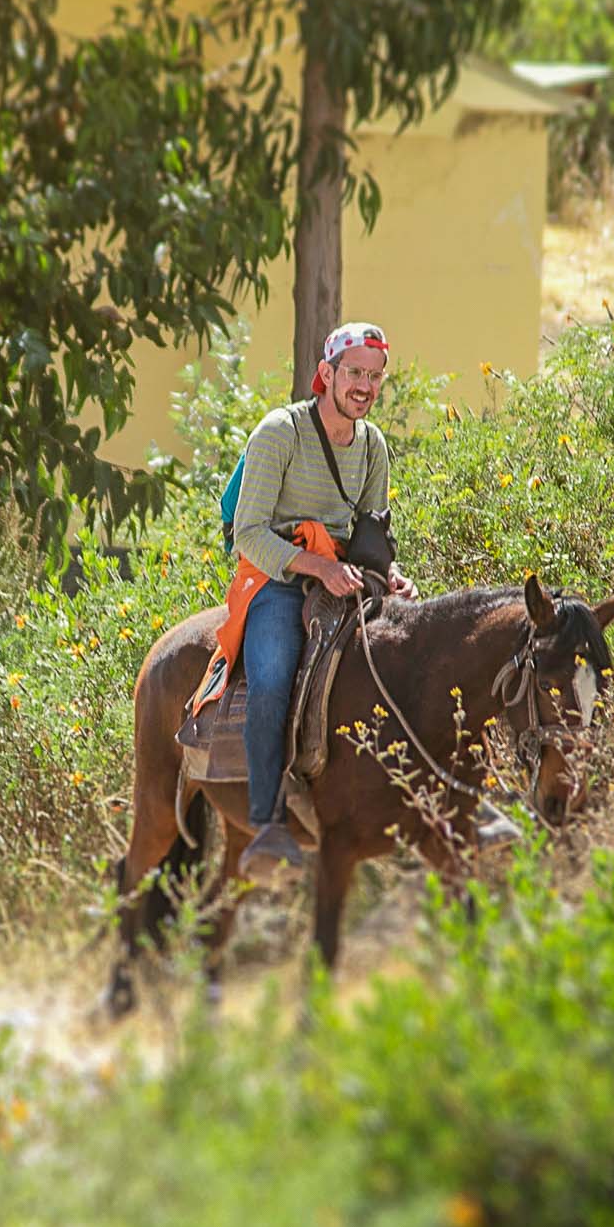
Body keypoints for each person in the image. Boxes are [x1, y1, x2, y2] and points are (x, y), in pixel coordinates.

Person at [229, 322, 415, 880]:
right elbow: (249, 534)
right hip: (279, 578)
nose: (364, 385)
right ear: (327, 374)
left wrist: (395, 576)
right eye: (354, 373)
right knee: (271, 680)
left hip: (349, 576)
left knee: (415, 658)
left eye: (374, 376)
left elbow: (373, 537)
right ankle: (267, 821)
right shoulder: (278, 433)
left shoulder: (375, 445)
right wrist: (318, 567)